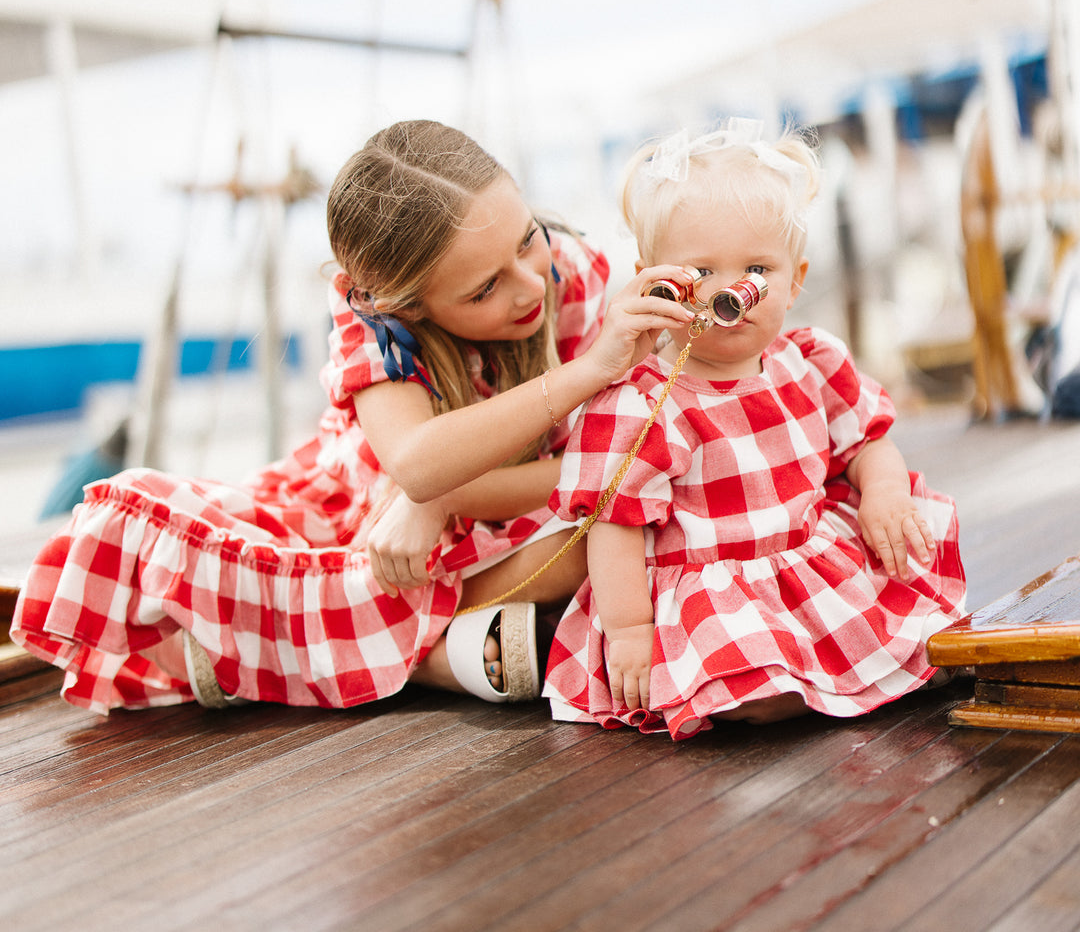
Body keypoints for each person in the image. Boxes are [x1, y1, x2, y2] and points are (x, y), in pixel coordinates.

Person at [11, 119, 700, 715]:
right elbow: (415, 465)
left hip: (523, 514)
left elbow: (619, 465)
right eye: (484, 287)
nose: (529, 283)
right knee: (152, 515)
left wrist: (443, 497)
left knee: (600, 540)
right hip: (368, 519)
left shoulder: (572, 277)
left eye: (527, 239)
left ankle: (283, 648)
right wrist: (581, 375)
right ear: (406, 305)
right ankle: (427, 656)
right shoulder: (375, 326)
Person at [543, 119, 966, 740]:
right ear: (654, 282)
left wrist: (884, 492)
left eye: (757, 269)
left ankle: (865, 664)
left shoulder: (809, 361)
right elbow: (614, 528)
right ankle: (827, 680)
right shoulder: (642, 404)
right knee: (743, 688)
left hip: (807, 565)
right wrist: (630, 631)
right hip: (708, 593)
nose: (729, 291)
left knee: (908, 603)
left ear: (795, 280)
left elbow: (867, 441)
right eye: (701, 272)